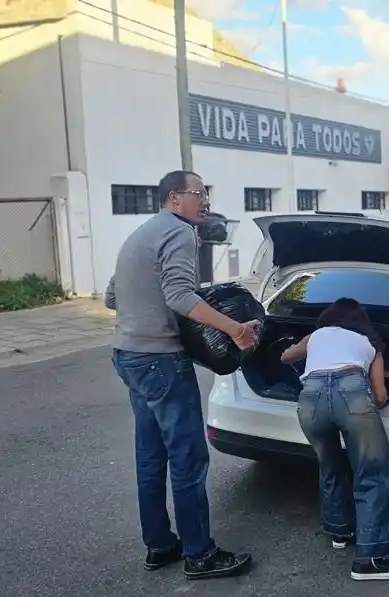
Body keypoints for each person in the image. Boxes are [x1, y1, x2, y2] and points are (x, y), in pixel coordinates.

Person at [104, 170, 258, 580]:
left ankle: (160, 545)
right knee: (188, 459)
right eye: (199, 193)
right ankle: (200, 554)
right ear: (175, 198)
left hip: (128, 355)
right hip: (160, 360)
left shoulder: (140, 234)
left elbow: (111, 297)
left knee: (151, 456)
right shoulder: (179, 232)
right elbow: (179, 295)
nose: (205, 201)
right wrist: (236, 328)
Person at [279, 298, 389, 581]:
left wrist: (300, 348)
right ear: (361, 320)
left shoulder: (316, 336)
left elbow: (285, 357)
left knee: (330, 463)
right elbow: (381, 394)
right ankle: (370, 560)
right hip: (352, 393)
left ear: (329, 317)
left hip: (310, 400)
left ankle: (339, 530)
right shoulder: (370, 345)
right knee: (372, 472)